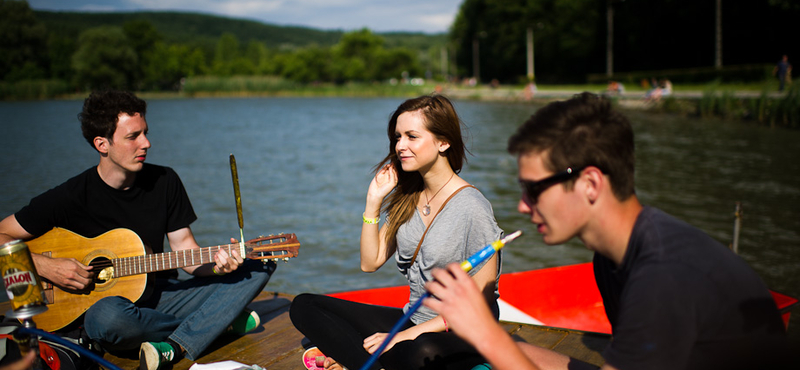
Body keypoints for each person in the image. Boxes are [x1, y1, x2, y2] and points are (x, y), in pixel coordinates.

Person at [424, 92, 790, 370]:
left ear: (591, 184)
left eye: (533, 189)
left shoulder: (664, 273)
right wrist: (481, 337)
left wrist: (486, 335)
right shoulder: (613, 254)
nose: (522, 204)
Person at [0, 90, 277, 370]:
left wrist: (219, 268)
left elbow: (187, 252)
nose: (146, 143)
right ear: (102, 144)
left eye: (145, 132)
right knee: (108, 319)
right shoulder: (69, 197)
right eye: (133, 137)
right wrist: (46, 266)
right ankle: (218, 322)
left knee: (260, 264)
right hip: (111, 311)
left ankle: (178, 343)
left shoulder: (165, 181)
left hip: (162, 296)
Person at [290, 94, 503, 370]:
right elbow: (370, 262)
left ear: (443, 142)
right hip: (413, 319)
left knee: (421, 351)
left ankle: (355, 358)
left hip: (461, 331)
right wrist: (373, 200)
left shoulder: (472, 207)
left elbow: (482, 304)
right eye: (397, 137)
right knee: (304, 307)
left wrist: (401, 336)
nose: (400, 145)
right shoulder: (409, 197)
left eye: (412, 136)